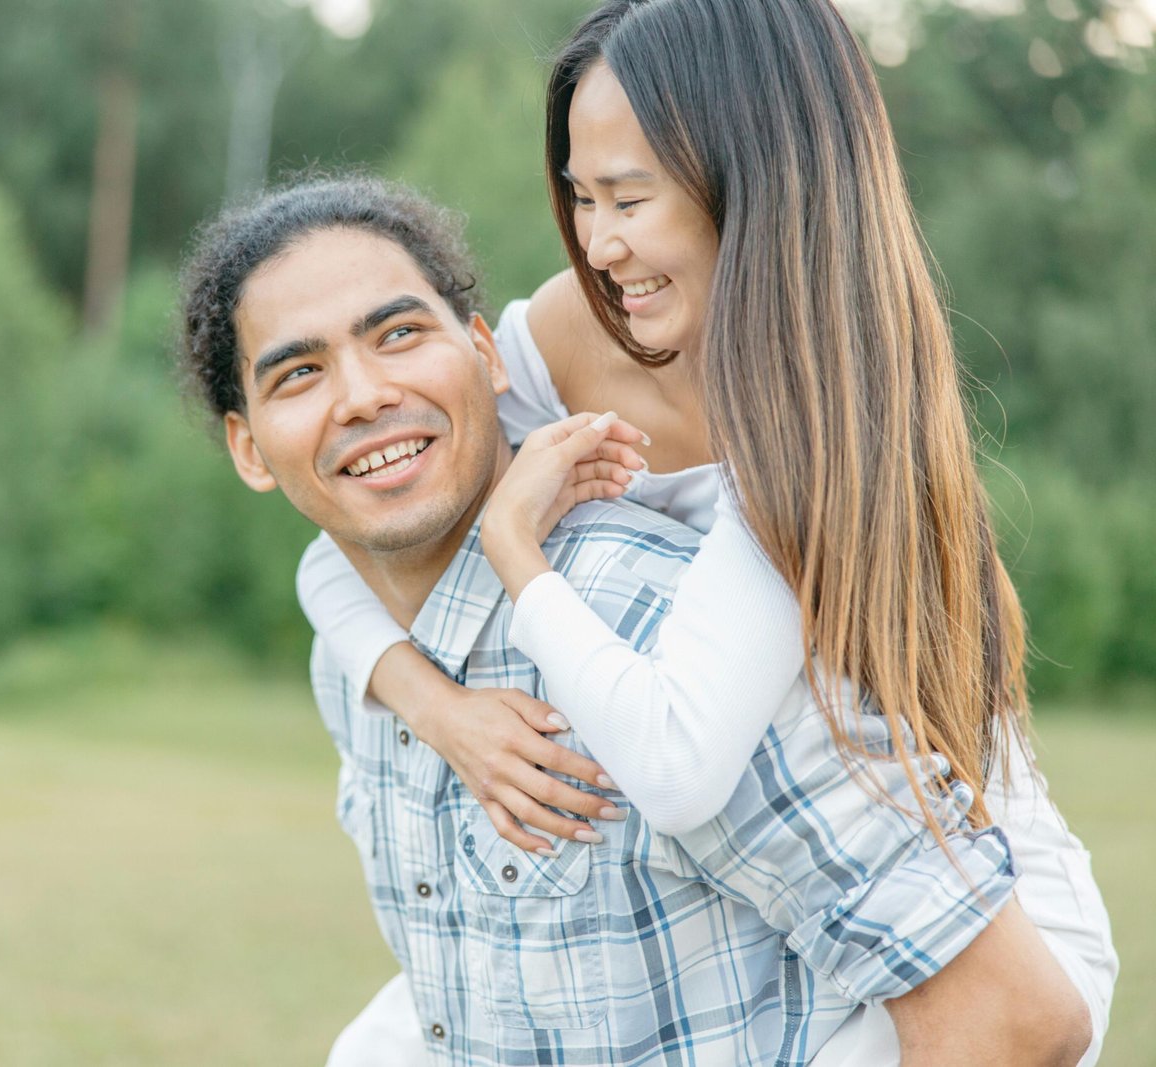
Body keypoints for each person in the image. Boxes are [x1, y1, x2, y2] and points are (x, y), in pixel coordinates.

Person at [296, 1, 1116, 1061]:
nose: (599, 242)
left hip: (961, 892)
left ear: (751, 181)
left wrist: (515, 549)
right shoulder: (564, 337)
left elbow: (678, 761)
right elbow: (344, 555)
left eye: (630, 197)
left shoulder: (833, 421)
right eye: (582, 196)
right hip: (776, 865)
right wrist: (440, 707)